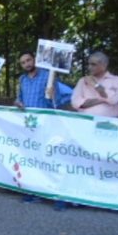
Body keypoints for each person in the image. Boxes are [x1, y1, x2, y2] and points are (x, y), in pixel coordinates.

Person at [15, 50, 71, 211]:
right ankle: (36, 192)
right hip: (29, 126)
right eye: (23, 62)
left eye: (28, 60)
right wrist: (18, 103)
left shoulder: (48, 76)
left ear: (35, 60)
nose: (26, 64)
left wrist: (53, 94)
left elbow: (58, 102)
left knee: (52, 158)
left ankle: (59, 196)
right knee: (33, 159)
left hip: (48, 124)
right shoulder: (22, 79)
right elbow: (19, 98)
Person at [71, 52, 118, 117]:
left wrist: (95, 85)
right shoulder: (83, 81)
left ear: (104, 65)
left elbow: (114, 99)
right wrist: (102, 100)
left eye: (93, 64)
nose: (89, 67)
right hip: (85, 121)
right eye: (89, 64)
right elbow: (75, 103)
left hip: (108, 123)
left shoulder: (117, 80)